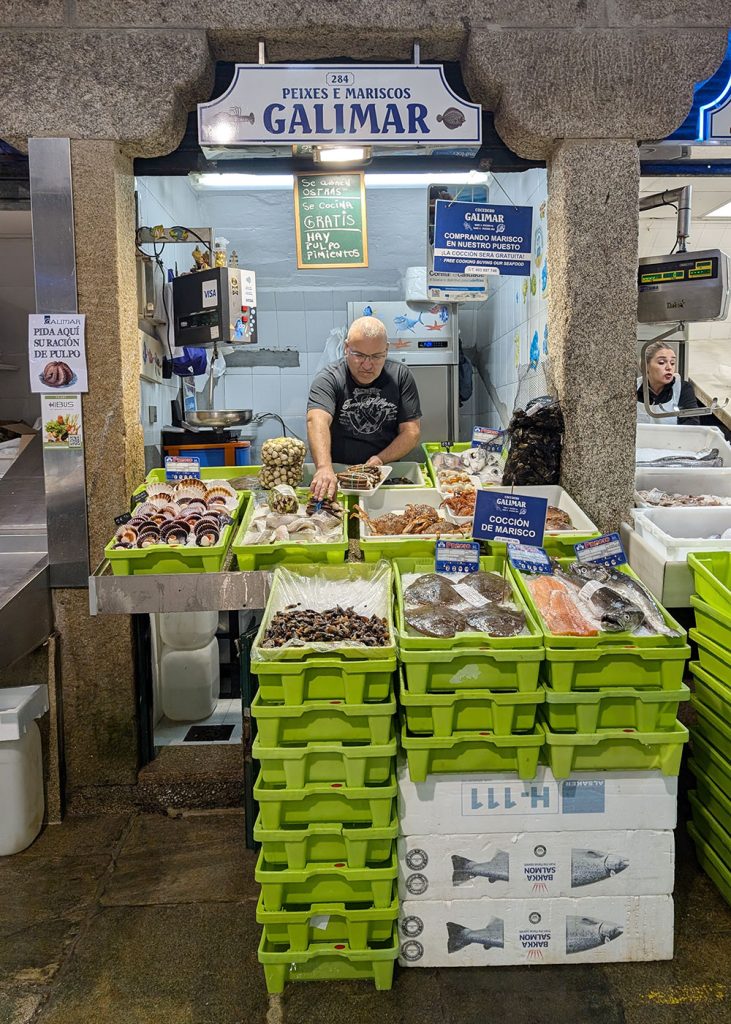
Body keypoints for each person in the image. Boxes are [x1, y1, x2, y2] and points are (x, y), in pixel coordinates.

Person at [307, 315, 422, 500]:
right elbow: (316, 419)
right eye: (359, 355)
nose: (367, 365)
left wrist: (380, 460)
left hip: (384, 474)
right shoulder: (329, 378)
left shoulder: (400, 376)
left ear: (386, 350)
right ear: (346, 348)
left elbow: (411, 432)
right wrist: (323, 467)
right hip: (337, 475)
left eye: (376, 356)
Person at [636, 342, 701, 425]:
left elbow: (692, 425)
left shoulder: (683, 388)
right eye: (662, 362)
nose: (669, 367)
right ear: (645, 366)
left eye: (672, 363)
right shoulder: (634, 388)